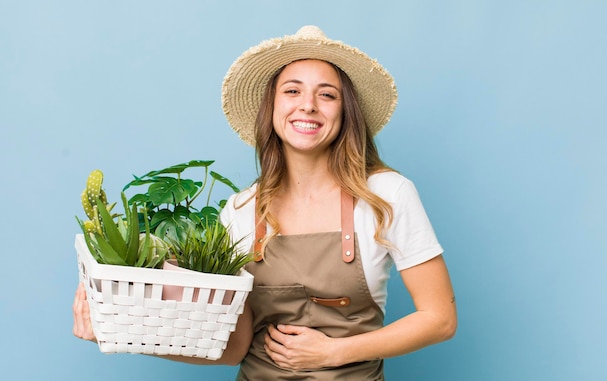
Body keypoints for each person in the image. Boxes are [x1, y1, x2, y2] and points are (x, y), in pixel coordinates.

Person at [73, 25, 457, 380]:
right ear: (272, 108)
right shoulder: (241, 211)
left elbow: (440, 318)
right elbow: (233, 346)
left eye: (327, 94)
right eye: (292, 91)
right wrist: (119, 331)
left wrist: (334, 352)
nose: (308, 105)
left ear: (345, 113)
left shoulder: (386, 195)